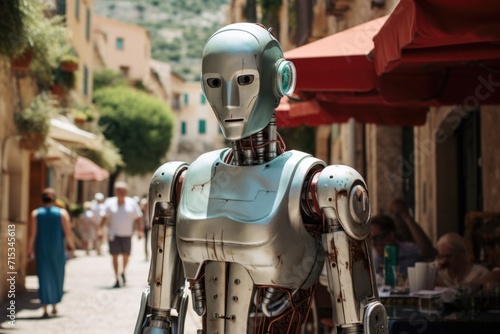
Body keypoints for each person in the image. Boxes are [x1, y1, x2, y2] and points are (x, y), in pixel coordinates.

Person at [27, 187, 75, 318]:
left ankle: (45, 308)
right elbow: (68, 233)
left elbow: (32, 234)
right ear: (54, 199)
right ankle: (54, 304)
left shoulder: (36, 213)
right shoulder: (62, 213)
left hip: (42, 249)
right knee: (57, 275)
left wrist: (29, 248)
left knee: (43, 276)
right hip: (57, 250)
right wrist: (72, 246)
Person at [371, 199, 437, 278]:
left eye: (377, 238)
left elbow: (429, 253)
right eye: (370, 240)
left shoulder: (408, 251)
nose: (374, 244)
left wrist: (406, 216)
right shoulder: (372, 257)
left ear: (391, 236)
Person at [100, 181, 143, 288]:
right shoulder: (109, 202)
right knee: (114, 255)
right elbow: (104, 217)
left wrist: (139, 230)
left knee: (126, 255)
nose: (121, 193)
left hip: (127, 234)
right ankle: (116, 277)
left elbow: (138, 218)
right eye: (119, 191)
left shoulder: (131, 202)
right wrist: (100, 229)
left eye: (123, 191)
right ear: (116, 192)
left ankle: (123, 271)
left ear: (126, 192)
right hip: (113, 234)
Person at [139, 195, 150, 261]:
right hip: (145, 226)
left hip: (150, 225)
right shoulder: (143, 212)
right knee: (146, 241)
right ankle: (146, 254)